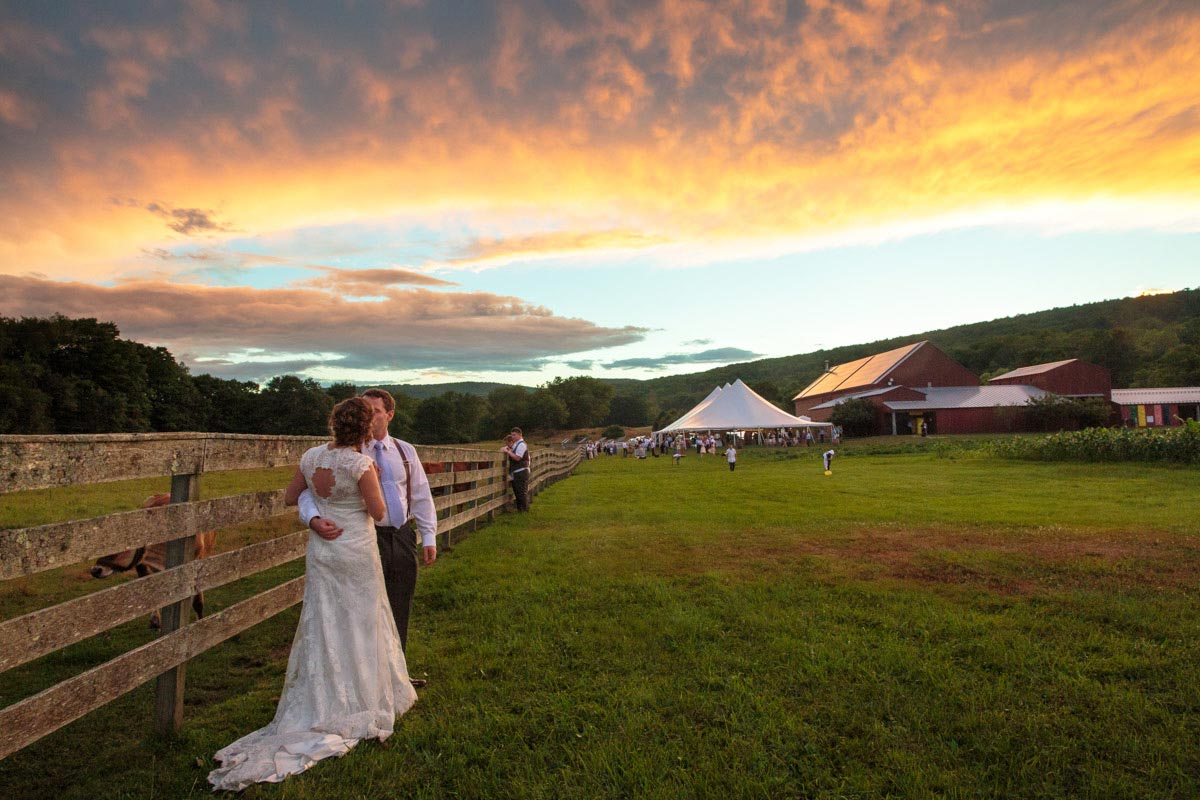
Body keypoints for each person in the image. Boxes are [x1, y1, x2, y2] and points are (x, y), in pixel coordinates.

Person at [209, 397, 417, 791]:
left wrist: (318, 514)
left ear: (334, 424)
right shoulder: (360, 464)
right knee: (361, 616)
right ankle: (361, 694)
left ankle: (324, 692)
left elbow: (292, 497)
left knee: (324, 616)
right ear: (365, 430)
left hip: (323, 552)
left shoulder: (310, 458)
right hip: (355, 550)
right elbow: (376, 512)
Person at [299, 388, 437, 672]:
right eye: (364, 411)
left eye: (375, 411)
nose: (369, 417)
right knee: (362, 609)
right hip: (361, 539)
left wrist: (429, 535)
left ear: (389, 415)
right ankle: (361, 673)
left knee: (399, 604)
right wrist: (312, 518)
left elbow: (421, 494)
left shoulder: (405, 451)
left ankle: (396, 673)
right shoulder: (347, 453)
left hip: (400, 535)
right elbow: (309, 492)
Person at [502, 427, 531, 511]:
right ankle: (521, 510)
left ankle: (524, 510)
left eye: (514, 435)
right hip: (518, 471)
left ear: (520, 435)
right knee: (518, 492)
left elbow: (517, 458)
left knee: (521, 492)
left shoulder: (521, 444)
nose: (512, 437)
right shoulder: (517, 444)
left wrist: (508, 452)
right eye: (512, 435)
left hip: (521, 471)